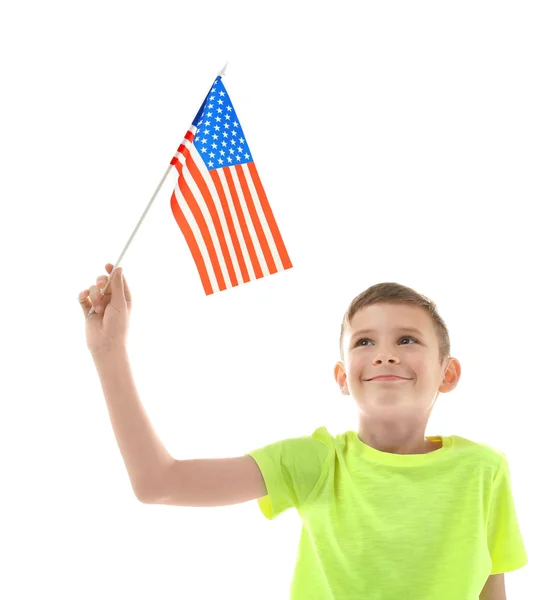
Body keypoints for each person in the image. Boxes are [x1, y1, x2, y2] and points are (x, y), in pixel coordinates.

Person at [79, 264, 528, 600]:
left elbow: (492, 588)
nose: (384, 355)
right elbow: (158, 482)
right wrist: (107, 350)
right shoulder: (316, 463)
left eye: (407, 340)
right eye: (364, 341)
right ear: (341, 376)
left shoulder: (483, 470)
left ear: (447, 373)